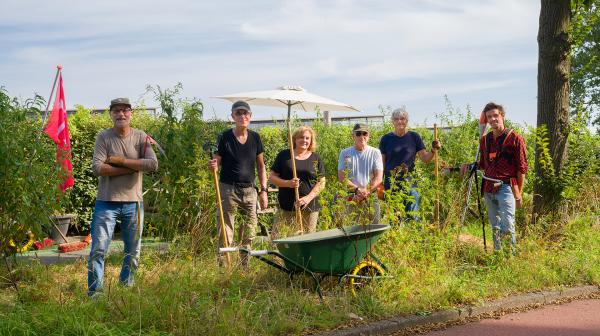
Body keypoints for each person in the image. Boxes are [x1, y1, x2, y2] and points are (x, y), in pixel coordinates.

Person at [88, 97, 158, 297]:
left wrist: (121, 161)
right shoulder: (103, 137)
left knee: (133, 250)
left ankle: (126, 288)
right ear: (111, 114)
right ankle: (95, 293)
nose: (121, 114)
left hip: (133, 202)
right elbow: (98, 168)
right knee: (99, 249)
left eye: (125, 110)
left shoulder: (140, 136)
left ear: (131, 113)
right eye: (116, 110)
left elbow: (152, 164)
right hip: (106, 202)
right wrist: (131, 168)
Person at [208, 101, 268, 264]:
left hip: (250, 191)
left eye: (245, 113)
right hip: (228, 189)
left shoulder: (255, 137)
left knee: (249, 229)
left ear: (250, 116)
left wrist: (263, 191)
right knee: (226, 230)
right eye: (238, 113)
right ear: (233, 116)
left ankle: (244, 266)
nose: (242, 116)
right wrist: (213, 165)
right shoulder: (225, 137)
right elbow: (216, 161)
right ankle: (223, 266)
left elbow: (261, 166)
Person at [462, 102, 528, 252]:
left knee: (508, 225)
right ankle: (498, 255)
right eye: (489, 117)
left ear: (502, 116)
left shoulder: (515, 138)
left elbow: (522, 168)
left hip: (506, 187)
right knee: (495, 226)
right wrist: (470, 166)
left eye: (495, 115)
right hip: (488, 187)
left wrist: (518, 194)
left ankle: (509, 259)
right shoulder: (485, 140)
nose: (493, 119)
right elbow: (485, 164)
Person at [378, 107, 441, 220]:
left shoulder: (414, 137)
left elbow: (425, 158)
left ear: (406, 121)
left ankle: (412, 236)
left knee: (412, 215)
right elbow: (381, 163)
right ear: (392, 121)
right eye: (396, 119)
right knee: (394, 216)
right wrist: (380, 182)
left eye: (402, 118)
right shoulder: (386, 139)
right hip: (391, 182)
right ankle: (396, 237)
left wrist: (433, 150)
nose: (399, 121)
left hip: (410, 181)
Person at [269, 126, 326, 238]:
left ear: (311, 141)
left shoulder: (315, 158)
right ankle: (277, 256)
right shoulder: (284, 156)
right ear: (294, 139)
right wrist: (287, 183)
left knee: (307, 239)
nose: (304, 140)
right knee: (278, 238)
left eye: (307, 138)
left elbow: (321, 181)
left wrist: (308, 198)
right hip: (286, 206)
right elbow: (272, 177)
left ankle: (304, 257)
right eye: (301, 137)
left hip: (309, 208)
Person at [338, 123, 383, 224]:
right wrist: (357, 190)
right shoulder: (345, 153)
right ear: (353, 136)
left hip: (370, 194)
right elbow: (342, 177)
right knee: (350, 226)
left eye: (364, 133)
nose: (361, 136)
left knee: (374, 226)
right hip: (350, 194)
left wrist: (366, 191)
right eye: (358, 134)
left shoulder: (375, 152)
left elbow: (378, 177)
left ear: (369, 136)